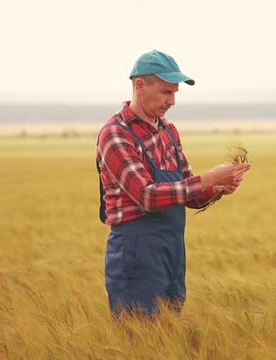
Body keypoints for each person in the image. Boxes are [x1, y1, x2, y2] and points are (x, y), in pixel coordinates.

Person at [96, 50, 250, 319]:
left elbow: (189, 194)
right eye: (166, 92)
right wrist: (211, 177)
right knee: (138, 337)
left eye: (175, 93)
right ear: (140, 86)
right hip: (136, 253)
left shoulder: (168, 130)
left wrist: (219, 188)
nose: (173, 101)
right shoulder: (116, 134)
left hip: (172, 250)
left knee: (168, 334)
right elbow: (147, 196)